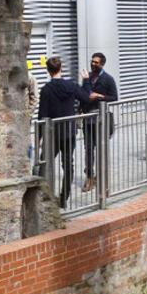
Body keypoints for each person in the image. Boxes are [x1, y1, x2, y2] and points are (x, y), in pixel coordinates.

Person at [37, 57, 90, 208]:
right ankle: (63, 198)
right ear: (61, 68)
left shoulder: (46, 89)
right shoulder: (71, 86)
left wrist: (39, 137)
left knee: (44, 163)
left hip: (52, 133)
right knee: (68, 165)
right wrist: (86, 81)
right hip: (68, 131)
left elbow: (42, 114)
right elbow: (86, 97)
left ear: (48, 71)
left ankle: (43, 197)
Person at [80, 52, 118, 193]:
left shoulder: (108, 79)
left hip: (100, 120)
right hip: (88, 120)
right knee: (88, 149)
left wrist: (99, 96)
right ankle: (89, 177)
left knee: (101, 149)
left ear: (102, 64)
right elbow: (84, 94)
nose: (93, 64)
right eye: (92, 61)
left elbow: (114, 97)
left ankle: (101, 177)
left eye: (96, 62)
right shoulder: (87, 77)